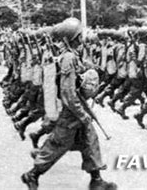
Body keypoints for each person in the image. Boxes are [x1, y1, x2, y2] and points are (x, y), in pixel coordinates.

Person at [21, 18, 116, 190]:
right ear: (69, 38)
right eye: (78, 36)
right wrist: (82, 114)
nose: (81, 39)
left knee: (89, 139)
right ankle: (32, 174)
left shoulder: (71, 55)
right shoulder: (68, 58)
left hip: (75, 107)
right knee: (60, 143)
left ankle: (96, 180)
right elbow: (68, 92)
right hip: (71, 110)